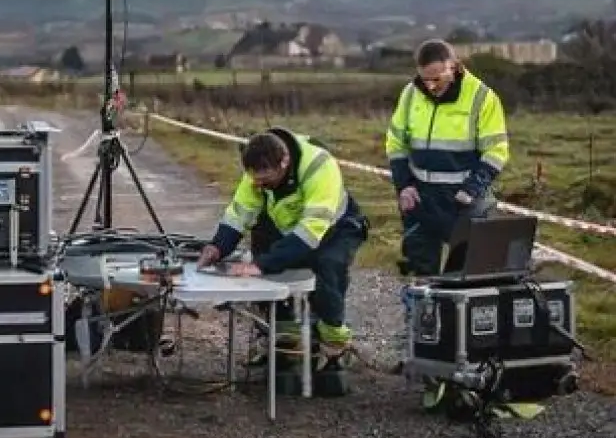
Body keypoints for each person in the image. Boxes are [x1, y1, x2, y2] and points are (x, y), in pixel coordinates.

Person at [197, 128, 369, 359]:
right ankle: (283, 335)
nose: (259, 186)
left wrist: (261, 265)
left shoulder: (319, 167)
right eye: (256, 181)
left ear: (284, 162)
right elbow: (239, 215)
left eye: (265, 182)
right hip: (286, 225)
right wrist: (217, 247)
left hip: (334, 227)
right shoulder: (257, 170)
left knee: (328, 267)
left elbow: (309, 233)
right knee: (265, 257)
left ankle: (334, 343)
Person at [384, 38, 510, 279]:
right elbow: (395, 143)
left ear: (453, 67)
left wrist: (472, 188)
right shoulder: (410, 94)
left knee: (467, 276)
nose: (430, 86)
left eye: (436, 78)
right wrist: (404, 185)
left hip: (464, 200)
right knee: (419, 275)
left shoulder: (482, 97)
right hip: (420, 197)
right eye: (425, 79)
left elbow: (497, 150)